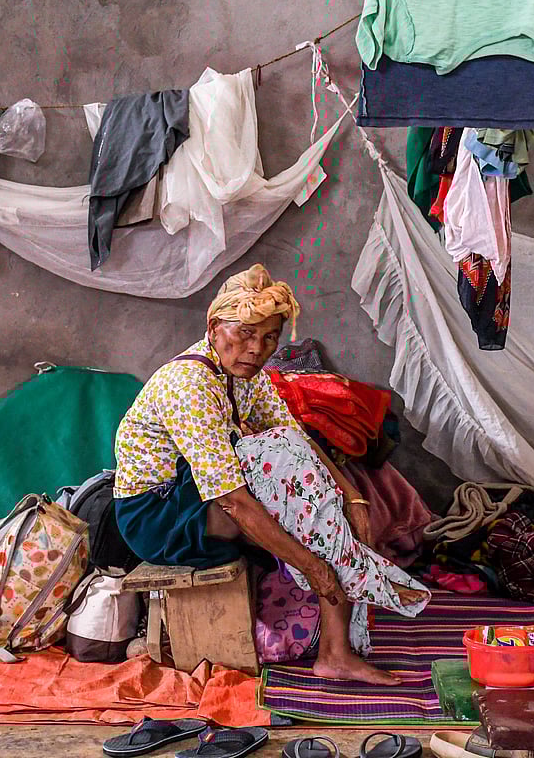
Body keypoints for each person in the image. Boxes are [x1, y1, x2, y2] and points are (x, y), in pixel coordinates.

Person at [113, 264, 429, 685]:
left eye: (269, 338)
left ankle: (337, 642)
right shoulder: (188, 384)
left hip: (198, 495)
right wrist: (314, 567)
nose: (256, 348)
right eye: (244, 333)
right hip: (157, 516)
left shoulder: (247, 376)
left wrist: (350, 494)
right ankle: (350, 598)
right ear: (214, 328)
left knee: (302, 474)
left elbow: (298, 442)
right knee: (299, 501)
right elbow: (233, 501)